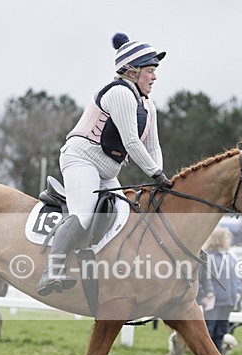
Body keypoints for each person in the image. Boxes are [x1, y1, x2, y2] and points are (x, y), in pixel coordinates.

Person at [37, 32, 173, 296]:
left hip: (107, 170)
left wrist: (161, 176)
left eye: (155, 71)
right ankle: (51, 270)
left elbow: (153, 146)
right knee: (84, 212)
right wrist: (156, 175)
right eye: (150, 71)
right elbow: (133, 142)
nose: (155, 77)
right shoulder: (120, 93)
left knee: (125, 217)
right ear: (132, 73)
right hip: (81, 160)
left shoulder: (148, 105)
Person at [198, 227, 242, 355]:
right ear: (218, 239)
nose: (229, 240)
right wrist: (203, 295)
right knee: (210, 329)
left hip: (228, 301)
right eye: (226, 237)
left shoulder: (230, 257)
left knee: (222, 331)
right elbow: (201, 278)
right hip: (213, 301)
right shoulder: (207, 257)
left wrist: (238, 291)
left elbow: (236, 278)